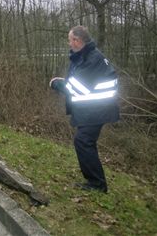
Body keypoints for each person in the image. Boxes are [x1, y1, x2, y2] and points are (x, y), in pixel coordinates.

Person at [49, 26, 119, 193]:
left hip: (98, 108)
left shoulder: (92, 58)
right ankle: (96, 181)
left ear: (77, 40)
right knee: (85, 141)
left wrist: (56, 83)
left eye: (70, 39)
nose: (69, 43)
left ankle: (97, 184)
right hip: (92, 108)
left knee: (83, 141)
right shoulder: (85, 55)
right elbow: (78, 79)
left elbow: (77, 88)